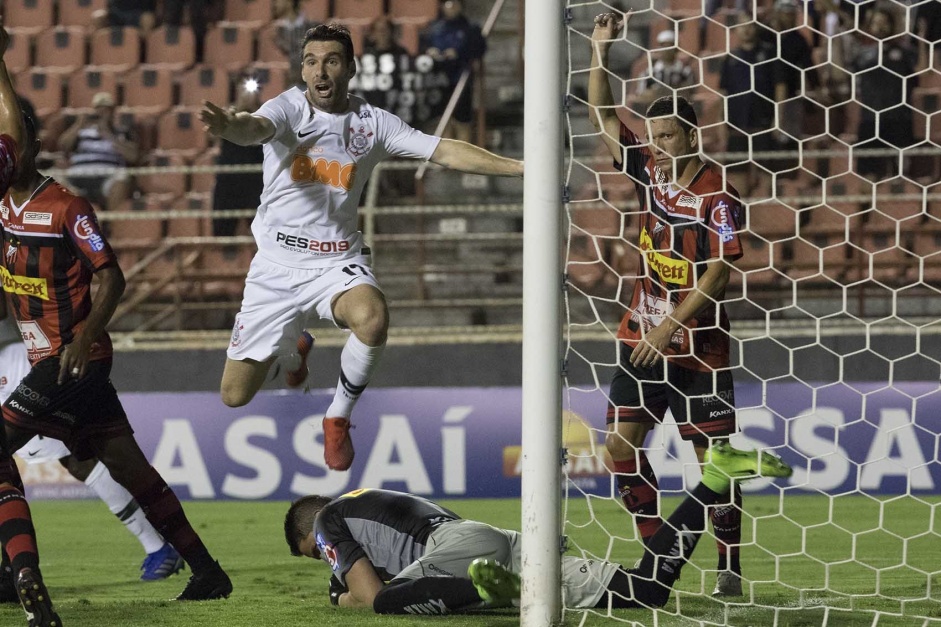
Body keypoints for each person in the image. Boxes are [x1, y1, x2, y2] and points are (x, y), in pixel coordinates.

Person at [199, 23, 523, 473]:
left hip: (337, 260)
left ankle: (337, 417)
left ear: (350, 68)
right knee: (234, 396)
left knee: (372, 318)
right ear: (303, 70)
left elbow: (444, 151)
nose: (320, 71)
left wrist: (523, 167)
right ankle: (293, 349)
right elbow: (254, 128)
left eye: (331, 60)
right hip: (276, 266)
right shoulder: (288, 108)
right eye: (311, 62)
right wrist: (231, 125)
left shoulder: (372, 124)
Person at [0, 41, 232, 627]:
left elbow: (113, 275)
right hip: (49, 362)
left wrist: (83, 337)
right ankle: (207, 570)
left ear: (27, 144)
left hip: (73, 360)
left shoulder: (66, 208)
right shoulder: (3, 203)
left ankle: (23, 581)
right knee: (129, 467)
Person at [588, 12, 748, 598]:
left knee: (716, 465)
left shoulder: (718, 194)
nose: (657, 144)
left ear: (692, 136)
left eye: (668, 136)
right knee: (618, 450)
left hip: (698, 346)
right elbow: (604, 115)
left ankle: (729, 564)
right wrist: (601, 50)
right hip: (641, 336)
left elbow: (722, 270)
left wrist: (673, 326)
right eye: (653, 136)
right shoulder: (651, 174)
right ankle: (659, 552)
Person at [283, 442, 793, 613]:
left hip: (454, 549)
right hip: (490, 538)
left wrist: (341, 598)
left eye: (314, 555)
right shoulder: (365, 502)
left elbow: (366, 593)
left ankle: (488, 591)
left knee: (385, 602)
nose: (325, 561)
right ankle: (714, 477)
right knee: (646, 591)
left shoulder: (327, 521)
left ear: (312, 534)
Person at [0, 315, 184, 589]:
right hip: (28, 371)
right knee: (79, 463)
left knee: (80, 463)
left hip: (27, 382)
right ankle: (159, 547)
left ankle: (158, 547)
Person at [834, 6, 919, 180]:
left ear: (892, 25)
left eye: (884, 23)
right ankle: (867, 207)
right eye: (875, 23)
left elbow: (919, 77)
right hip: (870, 120)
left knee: (900, 176)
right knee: (867, 176)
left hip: (898, 119)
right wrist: (835, 43)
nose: (879, 27)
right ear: (869, 26)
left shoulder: (905, 52)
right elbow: (840, 76)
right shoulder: (862, 54)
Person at [59, 92, 138, 213]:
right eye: (98, 110)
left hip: (108, 175)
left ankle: (111, 227)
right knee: (56, 181)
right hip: (79, 175)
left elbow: (133, 156)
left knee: (122, 181)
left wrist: (108, 135)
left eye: (106, 110)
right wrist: (78, 125)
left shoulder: (121, 132)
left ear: (112, 112)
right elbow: (63, 146)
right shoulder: (81, 132)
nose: (102, 113)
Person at [420, 0, 486, 143]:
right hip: (439, 79)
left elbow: (479, 49)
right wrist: (429, 52)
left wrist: (458, 53)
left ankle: (464, 156)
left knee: (463, 119)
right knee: (442, 119)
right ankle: (445, 158)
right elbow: (423, 46)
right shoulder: (434, 28)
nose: (452, 8)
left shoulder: (470, 28)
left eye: (455, 4)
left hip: (461, 78)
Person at [212, 83, 264, 241]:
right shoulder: (228, 114)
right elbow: (212, 136)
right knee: (221, 233)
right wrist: (236, 112)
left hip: (257, 182)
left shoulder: (266, 115)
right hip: (228, 182)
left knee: (262, 236)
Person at [633, 30, 695, 110]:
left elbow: (687, 94)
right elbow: (641, 96)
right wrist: (672, 92)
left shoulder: (686, 71)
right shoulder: (648, 73)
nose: (667, 49)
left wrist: (657, 93)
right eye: (663, 46)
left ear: (677, 48)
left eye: (670, 45)